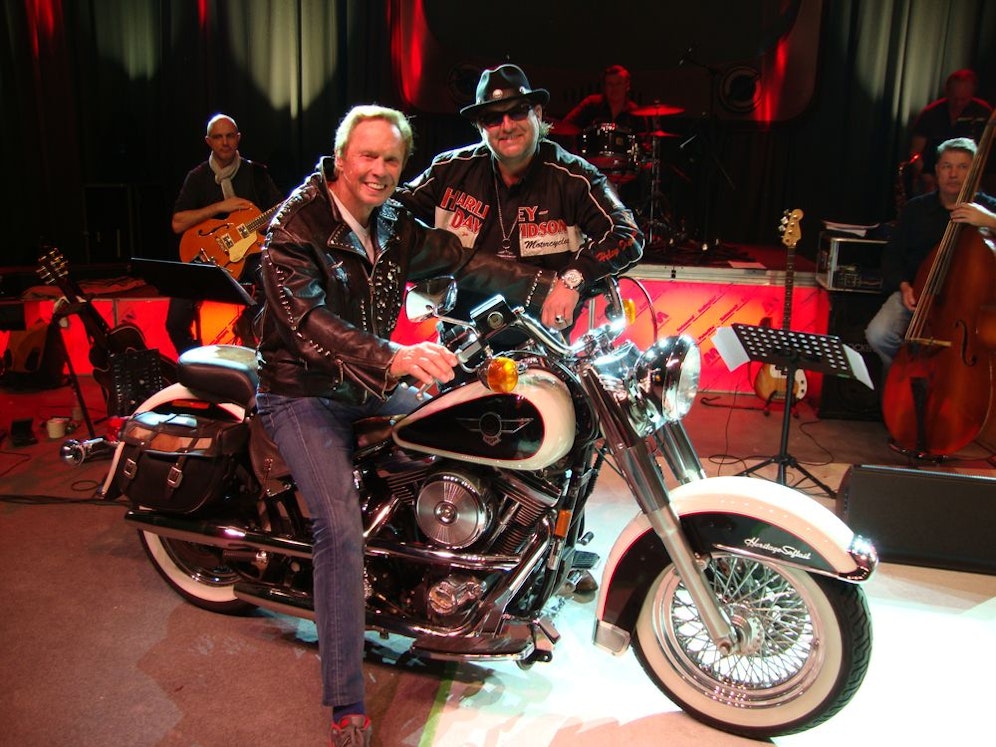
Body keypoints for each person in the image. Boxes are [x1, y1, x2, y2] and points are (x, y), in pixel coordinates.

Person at [254, 104, 567, 746]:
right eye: (368, 156)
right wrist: (393, 357)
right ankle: (346, 703)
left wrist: (549, 288)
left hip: (367, 382)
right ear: (342, 158)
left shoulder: (391, 221)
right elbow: (307, 323)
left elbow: (463, 259)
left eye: (392, 159)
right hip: (302, 391)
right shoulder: (295, 224)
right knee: (338, 529)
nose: (380, 170)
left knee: (460, 428)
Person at [397, 63, 643, 335]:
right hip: (462, 337)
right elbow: (392, 212)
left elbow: (627, 234)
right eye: (492, 118)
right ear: (480, 127)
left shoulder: (574, 176)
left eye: (517, 112)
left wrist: (572, 280)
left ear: (537, 113)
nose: (507, 126)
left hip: (542, 341)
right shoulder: (449, 170)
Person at [867, 137, 996, 370]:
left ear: (974, 172)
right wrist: (904, 286)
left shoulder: (989, 208)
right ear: (937, 170)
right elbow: (892, 256)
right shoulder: (916, 209)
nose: (953, 174)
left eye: (962, 167)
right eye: (947, 166)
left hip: (970, 304)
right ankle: (907, 378)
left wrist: (989, 220)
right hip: (918, 296)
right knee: (879, 334)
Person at [167, 113, 284, 355]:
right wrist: (220, 207)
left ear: (238, 138)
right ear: (208, 141)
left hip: (248, 256)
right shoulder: (197, 177)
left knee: (275, 277)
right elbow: (178, 223)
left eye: (230, 136)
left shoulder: (257, 174)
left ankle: (248, 323)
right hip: (207, 258)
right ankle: (196, 363)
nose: (225, 142)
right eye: (218, 137)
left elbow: (281, 214)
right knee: (175, 320)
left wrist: (260, 226)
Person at [908, 69, 992, 195]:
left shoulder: (983, 112)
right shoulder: (931, 114)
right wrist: (928, 178)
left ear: (972, 94)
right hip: (933, 177)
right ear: (947, 92)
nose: (958, 103)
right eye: (954, 98)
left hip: (970, 180)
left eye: (963, 99)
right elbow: (915, 152)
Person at [562, 63, 642, 132]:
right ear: (604, 87)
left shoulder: (635, 113)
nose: (614, 88)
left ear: (627, 86)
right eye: (610, 84)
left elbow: (643, 139)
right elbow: (565, 125)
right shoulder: (591, 104)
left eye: (618, 83)